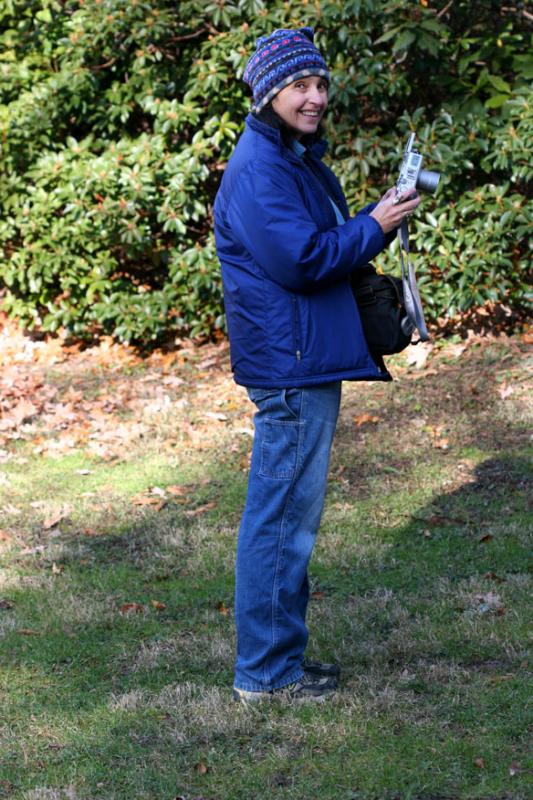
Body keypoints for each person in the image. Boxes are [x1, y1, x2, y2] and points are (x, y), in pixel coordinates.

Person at [213, 27, 420, 703]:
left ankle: (281, 663)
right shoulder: (262, 168)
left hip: (299, 360)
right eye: (299, 86)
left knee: (288, 519)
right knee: (280, 521)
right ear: (269, 92)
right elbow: (302, 262)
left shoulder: (290, 158)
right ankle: (266, 676)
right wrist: (379, 223)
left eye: (319, 84)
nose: (314, 97)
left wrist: (372, 215)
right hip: (291, 368)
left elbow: (317, 241)